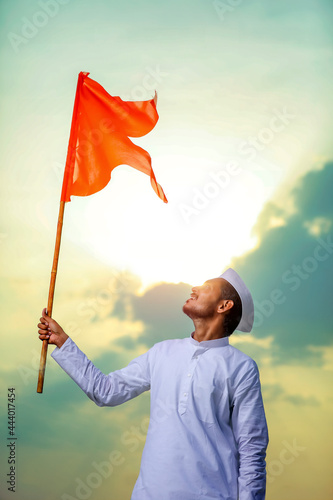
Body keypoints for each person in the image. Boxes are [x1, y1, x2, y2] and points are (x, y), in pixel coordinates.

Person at [38, 268, 268, 500]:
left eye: (206, 287)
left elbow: (252, 448)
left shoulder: (242, 367)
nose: (194, 288)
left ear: (223, 306)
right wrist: (63, 342)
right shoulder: (162, 352)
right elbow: (105, 391)